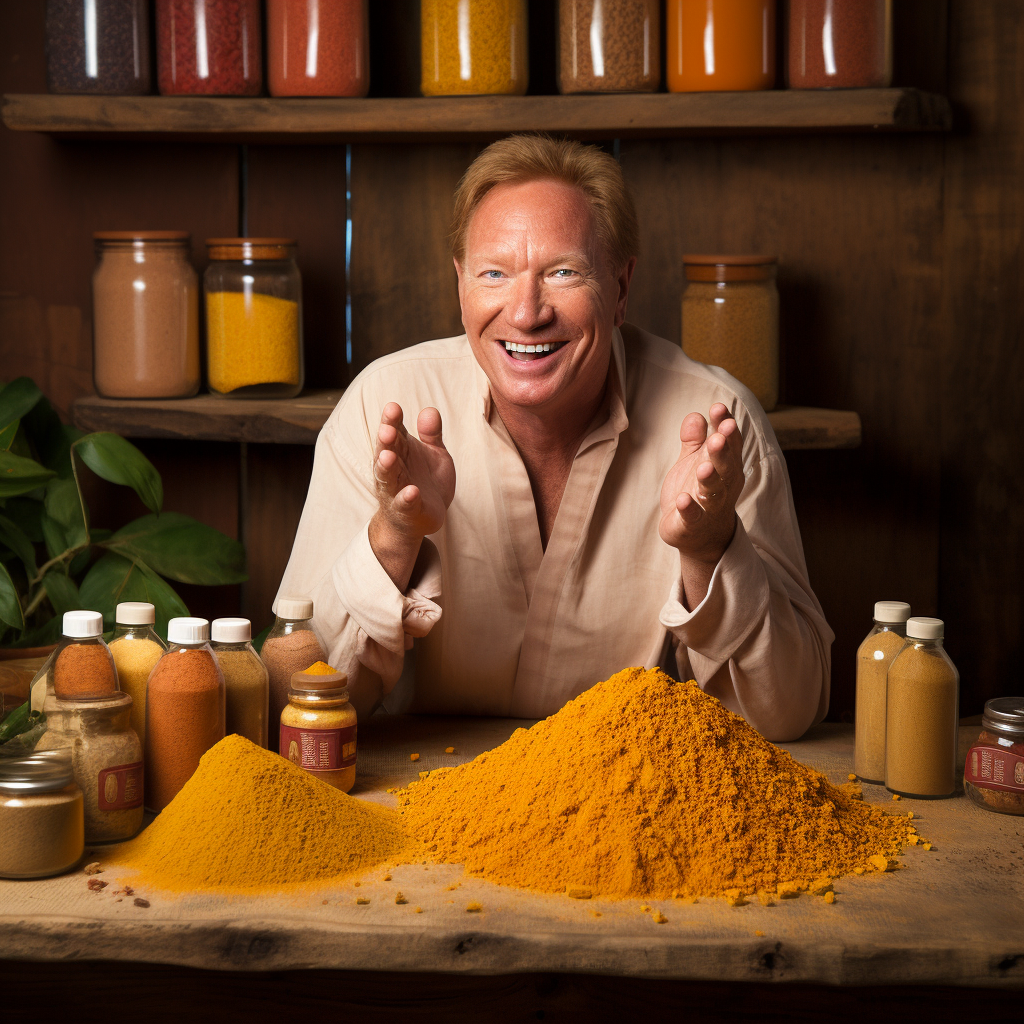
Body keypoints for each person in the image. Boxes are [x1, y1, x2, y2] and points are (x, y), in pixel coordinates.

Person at [276, 135, 833, 741]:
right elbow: (294, 693)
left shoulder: (718, 425)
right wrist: (393, 537)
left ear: (620, 288)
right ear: (461, 285)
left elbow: (790, 710)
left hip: (633, 807)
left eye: (563, 272)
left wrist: (711, 548)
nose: (526, 312)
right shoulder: (382, 406)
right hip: (425, 797)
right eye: (495, 273)